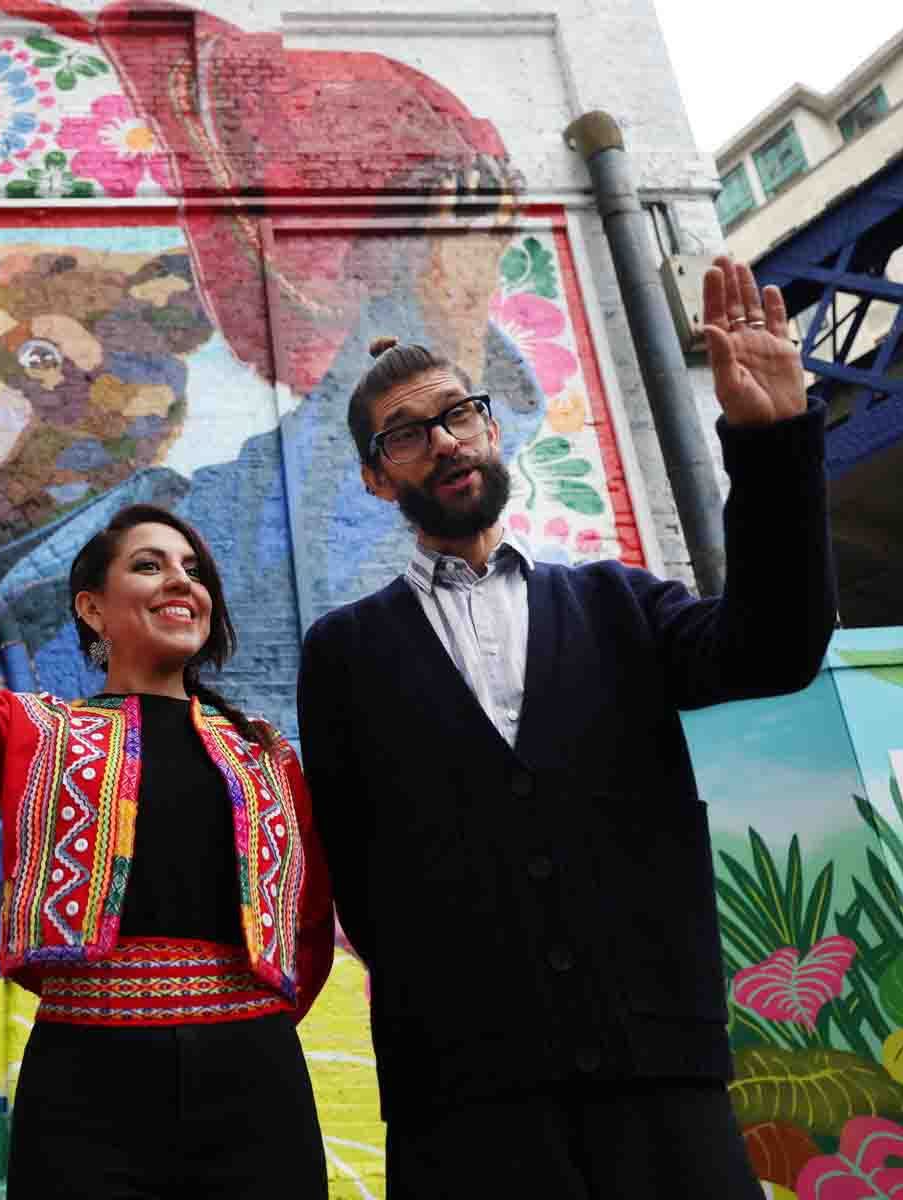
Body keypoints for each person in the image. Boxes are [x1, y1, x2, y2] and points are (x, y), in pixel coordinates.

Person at [296, 256, 837, 1196]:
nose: (448, 441)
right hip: (467, 1097)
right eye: (412, 435)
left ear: (491, 428)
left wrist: (773, 442)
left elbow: (775, 649)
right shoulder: (343, 652)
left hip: (659, 1066)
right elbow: (360, 875)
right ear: (379, 479)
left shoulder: (616, 602)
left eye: (461, 414)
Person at [0, 426, 335, 1198]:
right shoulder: (33, 736)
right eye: (149, 565)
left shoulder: (267, 759)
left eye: (194, 571)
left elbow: (307, 931)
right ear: (93, 609)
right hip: (89, 1086)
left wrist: (234, 1034)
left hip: (254, 1084)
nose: (180, 583)